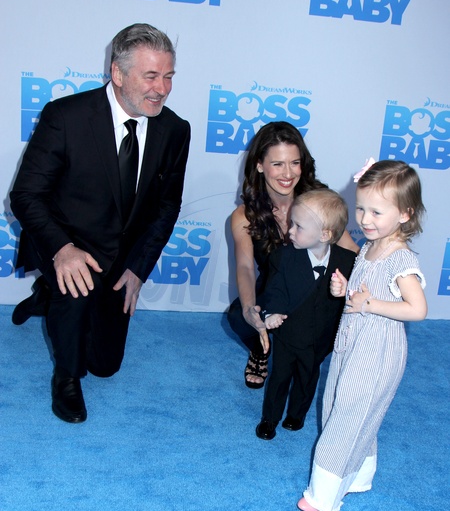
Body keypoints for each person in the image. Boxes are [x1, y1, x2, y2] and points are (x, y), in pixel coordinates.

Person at [10, 23, 191, 424]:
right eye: (151, 76)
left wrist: (138, 268)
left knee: (105, 366)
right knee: (75, 313)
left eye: (168, 76)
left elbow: (167, 207)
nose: (162, 89)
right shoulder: (66, 117)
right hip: (69, 243)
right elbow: (25, 195)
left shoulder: (175, 130)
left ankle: (45, 295)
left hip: (121, 254)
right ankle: (65, 376)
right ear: (118, 73)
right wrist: (62, 250)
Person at [297, 159, 427, 511]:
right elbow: (364, 292)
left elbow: (417, 309)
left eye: (376, 212)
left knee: (348, 417)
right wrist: (346, 291)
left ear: (405, 214)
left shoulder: (401, 259)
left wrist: (370, 304)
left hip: (378, 350)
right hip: (352, 343)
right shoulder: (369, 246)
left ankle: (323, 494)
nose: (365, 219)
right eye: (360, 208)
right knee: (342, 407)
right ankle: (359, 476)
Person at [228, 121, 358, 389]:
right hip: (276, 289)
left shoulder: (318, 201)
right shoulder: (244, 215)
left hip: (317, 288)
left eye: (295, 163)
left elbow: (351, 252)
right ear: (259, 165)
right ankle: (261, 349)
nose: (288, 173)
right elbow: (245, 267)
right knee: (239, 315)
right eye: (277, 164)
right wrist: (250, 310)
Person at [255, 189, 356, 440]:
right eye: (292, 223)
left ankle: (296, 415)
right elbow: (274, 289)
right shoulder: (283, 256)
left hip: (320, 339)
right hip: (289, 334)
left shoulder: (348, 261)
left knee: (308, 378)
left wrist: (346, 292)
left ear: (325, 234)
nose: (290, 231)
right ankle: (270, 418)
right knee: (280, 378)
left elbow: (358, 295)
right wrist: (271, 313)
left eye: (298, 226)